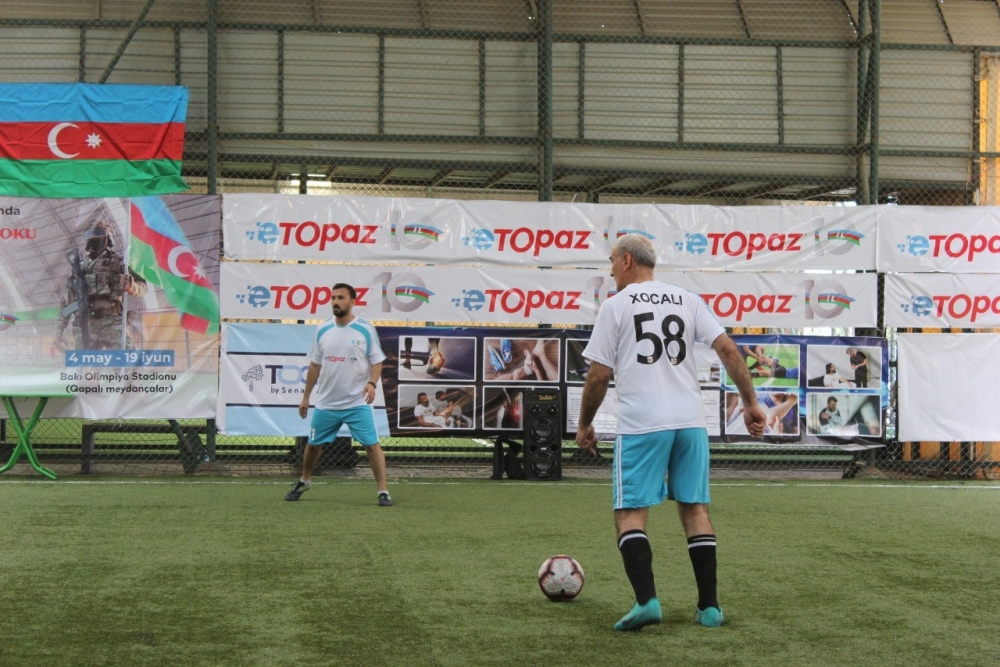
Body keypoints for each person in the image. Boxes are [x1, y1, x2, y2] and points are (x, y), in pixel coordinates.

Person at [576, 234, 767, 632]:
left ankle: (647, 601)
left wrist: (584, 424)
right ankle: (709, 608)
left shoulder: (616, 305)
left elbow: (598, 375)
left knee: (630, 515)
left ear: (627, 261)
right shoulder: (687, 299)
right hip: (691, 422)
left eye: (611, 261)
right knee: (695, 511)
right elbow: (728, 349)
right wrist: (750, 403)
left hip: (643, 424)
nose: (609, 270)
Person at [287, 283, 392, 506]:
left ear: (352, 302)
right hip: (326, 403)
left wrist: (371, 384)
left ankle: (383, 491)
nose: (336, 302)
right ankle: (305, 481)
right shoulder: (323, 329)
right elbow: (314, 365)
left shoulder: (365, 329)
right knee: (313, 445)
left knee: (371, 445)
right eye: (333, 298)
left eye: (341, 298)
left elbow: (377, 361)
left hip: (356, 403)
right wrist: (306, 397)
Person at [54, 213, 147, 351]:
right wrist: (58, 333)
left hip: (113, 323)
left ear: (108, 237)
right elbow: (65, 303)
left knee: (127, 362)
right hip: (85, 325)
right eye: (89, 235)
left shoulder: (119, 262)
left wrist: (132, 287)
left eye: (97, 233)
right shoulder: (78, 269)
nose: (93, 237)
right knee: (84, 364)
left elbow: (143, 286)